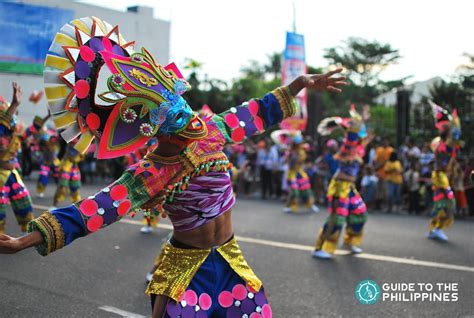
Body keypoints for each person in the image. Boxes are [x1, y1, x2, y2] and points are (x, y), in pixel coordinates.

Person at [0, 17, 347, 317]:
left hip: (231, 262)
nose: (192, 122)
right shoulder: (149, 175)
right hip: (185, 277)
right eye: (179, 120)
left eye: (186, 109)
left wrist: (301, 83)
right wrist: (21, 242)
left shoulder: (213, 130)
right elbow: (91, 211)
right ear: (154, 131)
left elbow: (258, 110)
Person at [313, 105, 372, 259]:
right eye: (360, 130)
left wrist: (365, 119)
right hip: (339, 186)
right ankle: (322, 248)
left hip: (350, 187)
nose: (362, 132)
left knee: (360, 213)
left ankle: (350, 241)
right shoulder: (349, 145)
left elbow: (366, 135)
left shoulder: (359, 148)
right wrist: (346, 123)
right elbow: (352, 133)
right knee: (336, 218)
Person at [0, 83, 34, 235]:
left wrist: (47, 116)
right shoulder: (2, 133)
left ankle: (28, 234)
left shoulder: (14, 137)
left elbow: (30, 131)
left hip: (12, 174)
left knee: (24, 202)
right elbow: (2, 128)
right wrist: (14, 104)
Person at [427, 102, 462, 241]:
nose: (445, 128)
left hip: (442, 176)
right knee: (446, 203)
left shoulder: (446, 144)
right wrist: (455, 122)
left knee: (445, 204)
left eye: (447, 126)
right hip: (439, 176)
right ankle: (435, 228)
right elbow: (455, 137)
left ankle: (435, 228)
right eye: (444, 126)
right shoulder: (441, 144)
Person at [284, 135, 320, 213]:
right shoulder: (290, 152)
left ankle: (310, 204)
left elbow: (303, 161)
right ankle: (289, 206)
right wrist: (290, 156)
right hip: (292, 173)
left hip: (300, 172)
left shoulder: (302, 151)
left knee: (306, 189)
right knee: (294, 191)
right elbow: (290, 164)